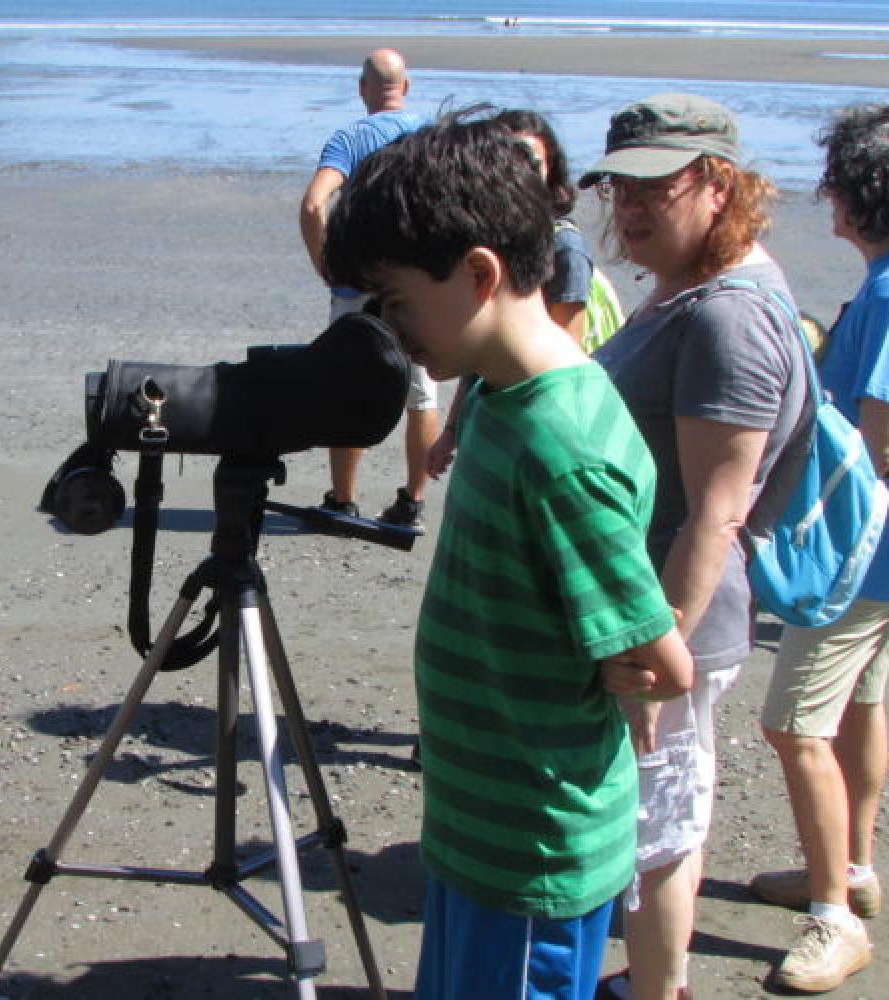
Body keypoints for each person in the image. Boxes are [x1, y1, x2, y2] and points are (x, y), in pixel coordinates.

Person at [323, 113, 694, 1000]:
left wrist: (634, 670)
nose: (390, 327)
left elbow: (663, 659)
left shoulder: (561, 446)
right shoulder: (501, 389)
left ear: (480, 274)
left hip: (533, 847)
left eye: (397, 301)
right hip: (478, 824)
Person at [578, 94, 808, 1000]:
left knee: (660, 827)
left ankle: (658, 989)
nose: (628, 208)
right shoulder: (686, 288)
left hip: (674, 624)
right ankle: (650, 980)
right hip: (653, 614)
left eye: (653, 188)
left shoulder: (728, 318)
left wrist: (655, 649)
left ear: (717, 183)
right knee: (654, 814)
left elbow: (715, 513)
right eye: (617, 188)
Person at [750, 104, 889, 993]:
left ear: (866, 196)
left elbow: (869, 444)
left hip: (861, 555)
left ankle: (834, 921)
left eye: (837, 182)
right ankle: (851, 869)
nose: (827, 196)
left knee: (792, 723)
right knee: (857, 705)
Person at [299, 47, 439, 528]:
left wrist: (326, 264)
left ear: (362, 90)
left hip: (359, 281)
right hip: (419, 282)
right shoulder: (432, 138)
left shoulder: (350, 138)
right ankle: (413, 501)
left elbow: (315, 204)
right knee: (421, 394)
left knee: (349, 387)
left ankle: (343, 498)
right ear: (407, 87)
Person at [427, 108, 598, 479]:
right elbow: (479, 352)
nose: (518, 172)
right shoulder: (494, 243)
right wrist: (452, 431)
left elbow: (565, 366)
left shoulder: (564, 250)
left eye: (530, 161)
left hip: (530, 432)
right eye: (506, 160)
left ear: (551, 169)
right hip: (485, 416)